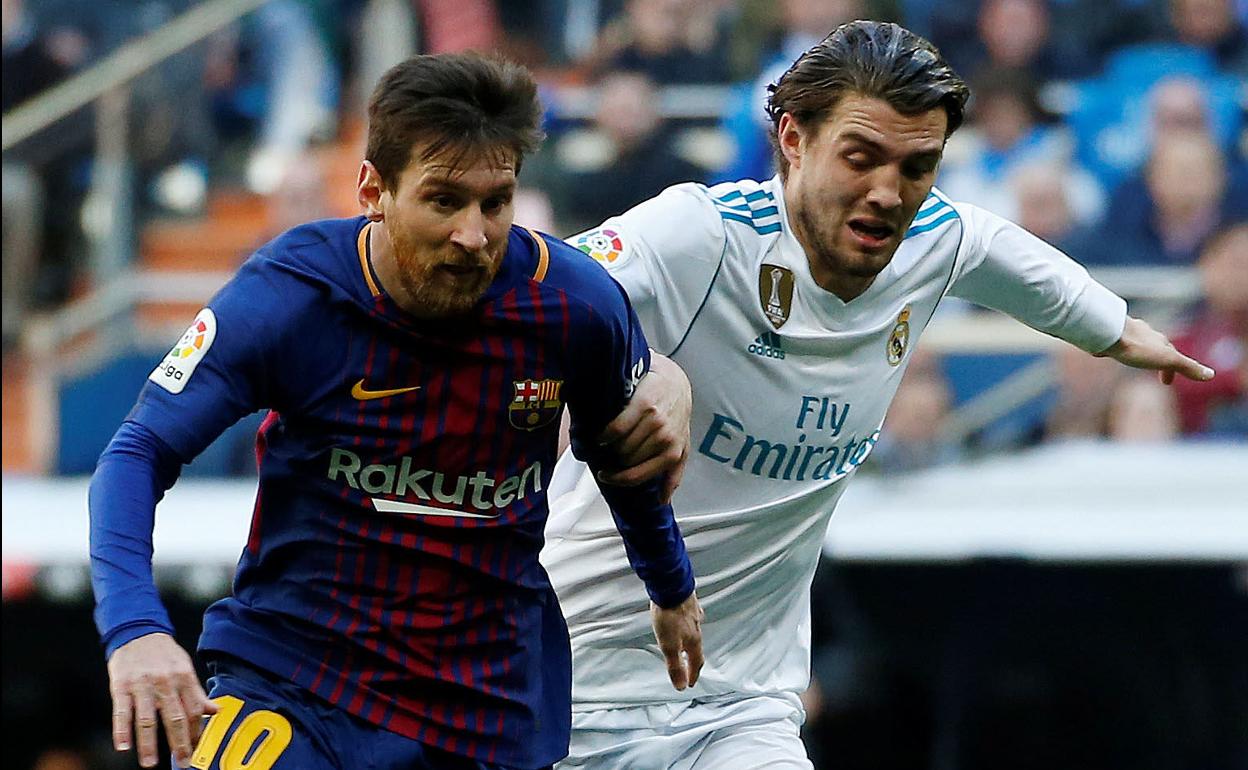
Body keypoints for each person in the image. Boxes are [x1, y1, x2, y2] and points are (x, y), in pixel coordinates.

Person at [541, 21, 1215, 768]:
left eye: (918, 167)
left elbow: (1000, 251)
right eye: (860, 158)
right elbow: (538, 292)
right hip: (573, 690)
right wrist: (644, 367)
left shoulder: (933, 239)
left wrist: (1114, 328)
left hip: (741, 706)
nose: (888, 194)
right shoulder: (703, 235)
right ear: (793, 140)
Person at [88, 52, 703, 770]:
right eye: (444, 200)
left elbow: (623, 454)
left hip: (483, 707)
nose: (473, 234)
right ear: (372, 190)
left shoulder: (576, 305)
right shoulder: (290, 296)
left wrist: (670, 585)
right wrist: (134, 628)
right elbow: (137, 453)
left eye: (496, 202)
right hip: (297, 680)